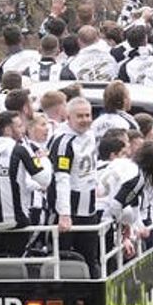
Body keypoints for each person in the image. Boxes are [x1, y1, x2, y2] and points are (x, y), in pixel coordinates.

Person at [0, 111, 52, 256]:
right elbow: (44, 179)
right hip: (16, 222)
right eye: (19, 126)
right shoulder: (20, 150)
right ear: (8, 130)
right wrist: (43, 159)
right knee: (16, 266)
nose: (23, 130)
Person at [47, 98, 100, 277]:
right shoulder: (64, 142)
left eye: (88, 115)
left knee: (91, 258)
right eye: (80, 116)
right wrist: (64, 214)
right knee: (64, 259)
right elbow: (62, 178)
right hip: (70, 210)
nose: (85, 119)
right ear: (68, 117)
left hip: (90, 208)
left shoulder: (90, 135)